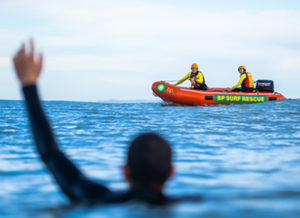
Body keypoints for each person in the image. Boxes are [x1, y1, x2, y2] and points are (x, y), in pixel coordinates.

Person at [13, 40, 201, 205]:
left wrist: (29, 84)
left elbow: (51, 154)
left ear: (125, 171)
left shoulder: (100, 199)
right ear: (171, 172)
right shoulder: (195, 204)